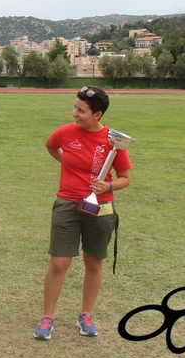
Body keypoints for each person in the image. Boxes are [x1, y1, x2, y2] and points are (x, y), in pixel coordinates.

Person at [33, 86, 131, 340]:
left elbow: (125, 178)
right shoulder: (65, 133)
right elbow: (51, 146)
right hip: (67, 203)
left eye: (81, 110)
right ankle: (47, 317)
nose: (75, 113)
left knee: (94, 262)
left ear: (97, 115)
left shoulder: (114, 141)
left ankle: (86, 314)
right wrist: (68, 163)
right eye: (75, 107)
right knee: (59, 263)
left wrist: (108, 185)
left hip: (102, 207)